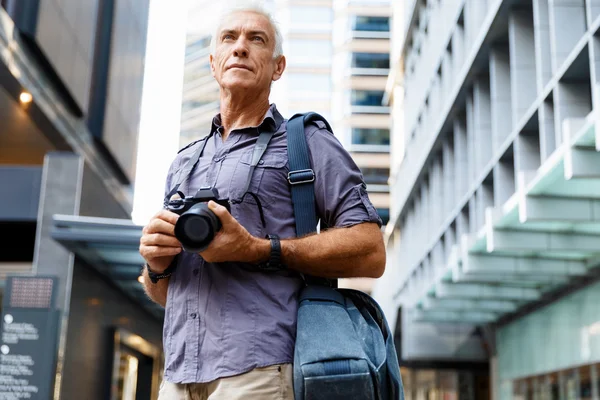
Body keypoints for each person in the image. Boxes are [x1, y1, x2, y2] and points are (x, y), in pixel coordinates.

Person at [139, 2, 386, 399]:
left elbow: (371, 252)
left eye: (257, 39)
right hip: (178, 376)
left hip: (260, 371)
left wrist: (257, 249)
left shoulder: (307, 143)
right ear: (213, 62)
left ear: (278, 67)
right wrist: (155, 266)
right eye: (229, 38)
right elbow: (167, 293)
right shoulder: (184, 162)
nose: (240, 47)